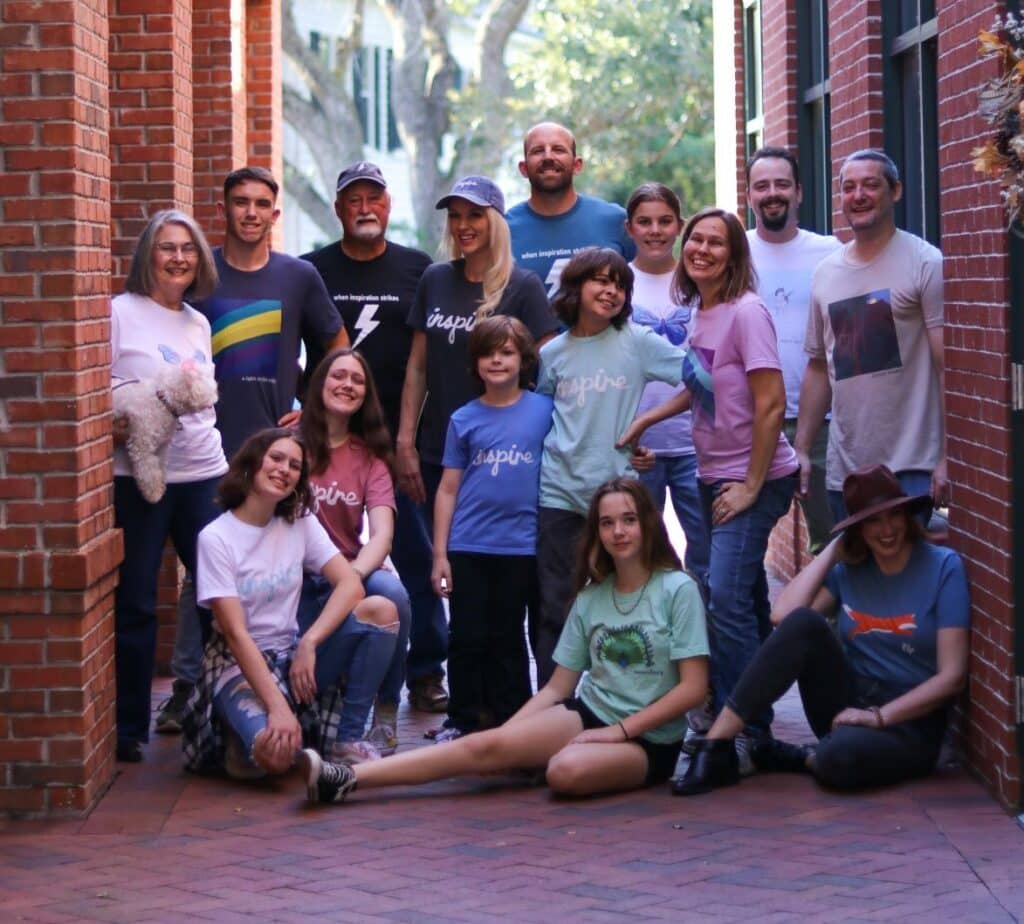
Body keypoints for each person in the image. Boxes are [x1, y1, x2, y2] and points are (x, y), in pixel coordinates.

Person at [297, 477, 709, 805]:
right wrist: (507, 738)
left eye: (629, 519)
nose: (618, 531)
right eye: (607, 522)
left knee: (565, 771)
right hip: (589, 713)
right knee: (487, 744)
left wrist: (618, 732)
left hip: (649, 741)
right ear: (596, 531)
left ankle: (553, 758)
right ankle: (347, 778)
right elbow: (557, 689)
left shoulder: (677, 589)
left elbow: (693, 688)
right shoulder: (591, 596)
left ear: (648, 523)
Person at [155, 166, 349, 736]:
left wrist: (310, 405)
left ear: (274, 214)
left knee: (272, 565)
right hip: (204, 454)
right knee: (202, 572)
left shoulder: (298, 276)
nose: (250, 213)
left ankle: (275, 670)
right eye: (240, 202)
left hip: (271, 452)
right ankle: (189, 688)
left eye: (261, 204)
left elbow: (337, 348)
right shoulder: (201, 275)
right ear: (225, 209)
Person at [618, 208, 799, 768]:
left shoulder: (747, 313)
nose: (700, 249)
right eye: (695, 239)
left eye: (715, 242)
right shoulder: (703, 312)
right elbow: (703, 388)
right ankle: (753, 723)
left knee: (722, 598)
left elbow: (771, 406)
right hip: (710, 474)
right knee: (739, 596)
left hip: (754, 478)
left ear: (734, 254)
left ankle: (740, 726)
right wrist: (646, 420)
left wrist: (748, 485)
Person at [674, 464, 970, 795]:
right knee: (805, 624)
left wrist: (879, 717)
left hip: (912, 723)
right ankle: (717, 747)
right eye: (872, 520)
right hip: (848, 705)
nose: (886, 530)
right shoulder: (850, 571)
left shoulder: (944, 567)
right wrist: (833, 552)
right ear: (857, 530)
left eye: (893, 516)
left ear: (906, 516)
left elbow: (952, 676)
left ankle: (802, 758)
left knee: (838, 760)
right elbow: (784, 617)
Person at [396, 175, 559, 704]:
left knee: (507, 592)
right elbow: (417, 367)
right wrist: (404, 440)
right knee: (443, 570)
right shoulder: (435, 280)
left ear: (496, 221)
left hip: (504, 458)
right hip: (437, 450)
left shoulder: (524, 286)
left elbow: (552, 375)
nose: (464, 227)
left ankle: (516, 707)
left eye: (475, 215)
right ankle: (456, 696)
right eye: (456, 217)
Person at [301, 162, 447, 718]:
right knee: (319, 544)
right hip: (333, 434)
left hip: (397, 437)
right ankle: (321, 652)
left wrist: (407, 438)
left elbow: (427, 358)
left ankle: (427, 670)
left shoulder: (418, 270)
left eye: (375, 198)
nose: (365, 207)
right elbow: (300, 345)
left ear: (389, 207)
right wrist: (306, 408)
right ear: (338, 209)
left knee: (414, 550)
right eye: (353, 199)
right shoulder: (311, 270)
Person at [182, 429, 400, 778]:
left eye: (295, 465)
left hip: (291, 657)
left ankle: (346, 740)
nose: (285, 469)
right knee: (278, 757)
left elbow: (350, 586)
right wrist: (277, 709)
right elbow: (236, 635)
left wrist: (310, 643)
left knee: (382, 610)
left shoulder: (299, 522)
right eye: (276, 458)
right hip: (237, 666)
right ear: (253, 463)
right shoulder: (216, 539)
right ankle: (241, 737)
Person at [533, 247, 688, 688]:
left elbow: (700, 378)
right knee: (555, 606)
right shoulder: (553, 354)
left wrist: (646, 422)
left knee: (630, 602)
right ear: (575, 287)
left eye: (619, 284)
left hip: (617, 497)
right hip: (559, 492)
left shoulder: (637, 342)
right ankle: (552, 709)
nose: (611, 290)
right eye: (600, 280)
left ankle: (627, 698)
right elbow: (543, 415)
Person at [110, 209, 226, 762]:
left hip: (205, 473)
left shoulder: (197, 323)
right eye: (166, 247)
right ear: (147, 256)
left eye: (187, 248)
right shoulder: (119, 314)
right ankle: (127, 727)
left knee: (216, 601)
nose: (178, 257)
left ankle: (214, 717)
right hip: (139, 479)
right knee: (135, 599)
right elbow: (99, 390)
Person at [795, 149, 947, 526]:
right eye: (849, 187)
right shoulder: (826, 273)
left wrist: (947, 455)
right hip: (845, 468)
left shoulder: (924, 263)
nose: (858, 195)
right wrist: (800, 449)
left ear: (895, 192)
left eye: (870, 185)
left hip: (911, 464)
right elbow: (817, 367)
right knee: (856, 577)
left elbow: (947, 367)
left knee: (905, 576)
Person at [430, 316, 553, 742]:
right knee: (465, 634)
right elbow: (448, 489)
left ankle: (510, 723)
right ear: (475, 362)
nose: (497, 361)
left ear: (524, 359)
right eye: (488, 353)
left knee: (507, 636)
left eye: (506, 352)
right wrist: (440, 553)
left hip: (521, 546)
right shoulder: (464, 419)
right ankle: (462, 720)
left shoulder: (545, 410)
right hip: (468, 544)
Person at [298, 348, 412, 759]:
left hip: (349, 565)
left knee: (394, 594)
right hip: (296, 572)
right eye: (338, 376)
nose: (347, 385)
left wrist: (354, 573)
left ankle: (384, 711)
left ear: (366, 395)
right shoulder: (290, 445)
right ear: (320, 383)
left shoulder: (370, 456)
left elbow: (382, 534)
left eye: (357, 380)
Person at [745, 147, 841, 554]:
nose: (772, 194)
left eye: (781, 184)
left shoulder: (831, 253)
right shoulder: (733, 252)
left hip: (821, 423)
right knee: (742, 542)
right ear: (749, 195)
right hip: (748, 423)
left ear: (798, 192)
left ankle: (836, 621)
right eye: (761, 186)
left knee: (835, 540)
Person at [624, 182, 708, 594]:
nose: (654, 230)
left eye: (664, 221)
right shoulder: (619, 282)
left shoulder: (698, 279)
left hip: (697, 442)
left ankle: (707, 646)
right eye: (644, 222)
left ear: (680, 227)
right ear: (629, 228)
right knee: (642, 553)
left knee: (707, 553)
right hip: (640, 447)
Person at [507, 121, 635, 298]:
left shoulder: (616, 220)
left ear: (577, 165)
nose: (548, 157)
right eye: (538, 151)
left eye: (558, 149)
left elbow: (648, 274)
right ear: (523, 168)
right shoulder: (503, 229)